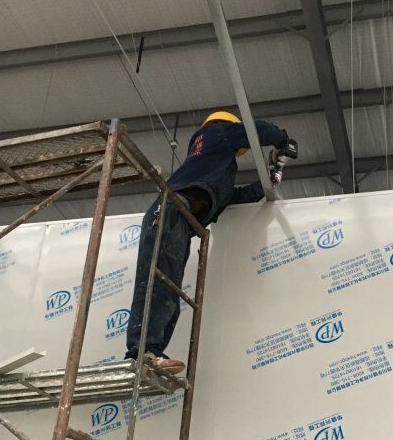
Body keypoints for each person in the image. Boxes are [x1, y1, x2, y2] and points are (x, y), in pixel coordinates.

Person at [125, 111, 294, 374]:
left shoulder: (215, 167)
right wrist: (282, 139)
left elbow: (232, 197)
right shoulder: (216, 132)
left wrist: (267, 183)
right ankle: (141, 351)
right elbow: (255, 130)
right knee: (157, 283)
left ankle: (152, 353)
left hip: (180, 220)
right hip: (171, 210)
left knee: (169, 289)